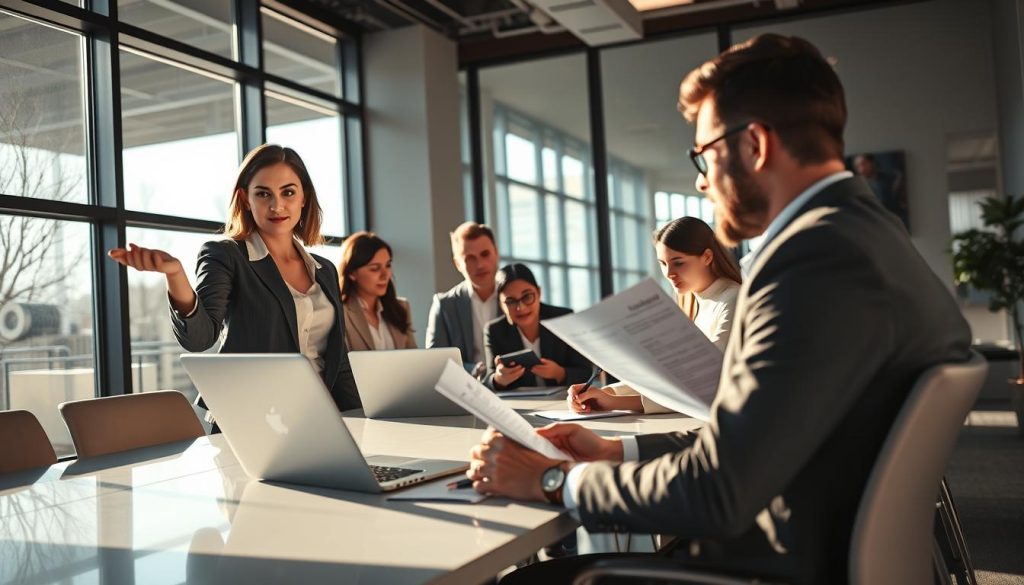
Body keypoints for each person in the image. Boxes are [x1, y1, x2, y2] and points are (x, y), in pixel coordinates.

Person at [465, 34, 971, 585]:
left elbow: (720, 491)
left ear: (754, 144)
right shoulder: (869, 237)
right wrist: (616, 448)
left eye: (702, 154)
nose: (701, 180)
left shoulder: (811, 263)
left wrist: (552, 482)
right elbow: (760, 436)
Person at [108, 144, 360, 414]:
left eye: (288, 192)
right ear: (245, 199)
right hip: (254, 417)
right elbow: (199, 339)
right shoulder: (226, 256)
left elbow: (338, 361)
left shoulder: (325, 269)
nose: (277, 205)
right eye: (263, 194)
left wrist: (363, 419)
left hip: (323, 415)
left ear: (304, 198)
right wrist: (175, 274)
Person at [569, 216, 742, 414]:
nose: (669, 274)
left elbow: (707, 383)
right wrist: (604, 392)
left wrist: (615, 402)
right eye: (663, 263)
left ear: (707, 257)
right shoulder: (693, 301)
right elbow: (670, 375)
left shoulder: (733, 299)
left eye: (678, 263)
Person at [484, 263, 592, 391]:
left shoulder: (563, 319)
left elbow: (586, 373)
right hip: (521, 406)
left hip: (563, 403)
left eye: (527, 296)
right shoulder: (494, 330)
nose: (521, 308)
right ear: (501, 304)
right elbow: (489, 382)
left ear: (539, 293)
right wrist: (499, 379)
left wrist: (559, 373)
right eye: (511, 301)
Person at [425, 222, 501, 376]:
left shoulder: (516, 298)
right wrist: (475, 370)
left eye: (485, 254)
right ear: (457, 264)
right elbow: (434, 362)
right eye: (470, 258)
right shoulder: (444, 305)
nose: (480, 264)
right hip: (466, 391)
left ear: (496, 253)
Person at [338, 231, 416, 351]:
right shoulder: (341, 313)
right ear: (352, 273)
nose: (386, 275)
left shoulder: (402, 307)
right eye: (375, 268)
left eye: (388, 265)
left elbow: (414, 358)